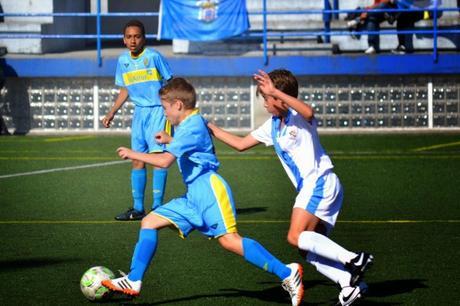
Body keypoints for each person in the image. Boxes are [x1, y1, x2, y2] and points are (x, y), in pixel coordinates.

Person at [102, 77, 305, 306]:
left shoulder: (192, 124)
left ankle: (287, 273)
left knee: (230, 241)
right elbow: (190, 148)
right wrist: (170, 140)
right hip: (193, 195)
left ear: (178, 104)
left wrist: (133, 154)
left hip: (210, 190)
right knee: (149, 221)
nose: (164, 113)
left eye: (165, 107)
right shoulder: (189, 124)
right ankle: (134, 280)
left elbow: (164, 161)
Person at [207, 69, 374, 306]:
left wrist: (275, 91)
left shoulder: (297, 115)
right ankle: (349, 284)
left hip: (318, 182)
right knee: (307, 247)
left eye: (267, 98)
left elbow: (309, 111)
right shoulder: (273, 125)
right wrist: (209, 127)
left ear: (279, 97)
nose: (265, 104)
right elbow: (241, 144)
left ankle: (353, 259)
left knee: (295, 236)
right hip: (318, 187)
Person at [102, 20, 173, 221]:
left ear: (144, 38)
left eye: (137, 36)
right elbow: (125, 89)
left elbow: (171, 82)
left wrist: (172, 110)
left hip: (158, 112)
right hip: (139, 113)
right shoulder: (123, 61)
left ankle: (157, 208)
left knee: (158, 160)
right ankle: (138, 208)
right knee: (137, 159)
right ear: (124, 40)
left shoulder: (153, 57)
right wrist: (112, 112)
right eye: (129, 37)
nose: (133, 40)